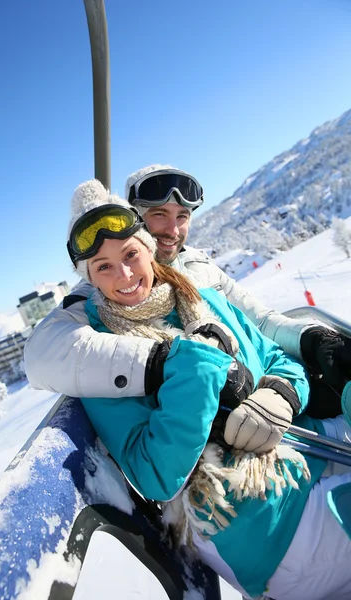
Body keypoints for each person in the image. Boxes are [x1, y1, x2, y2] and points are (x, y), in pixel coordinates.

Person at [65, 180, 351, 600]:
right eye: (103, 267)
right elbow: (156, 475)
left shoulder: (197, 298)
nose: (124, 275)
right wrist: (195, 365)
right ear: (89, 277)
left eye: (130, 255)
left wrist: (280, 395)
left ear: (148, 250)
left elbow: (276, 358)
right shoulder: (102, 356)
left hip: (302, 449)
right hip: (259, 521)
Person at [24, 165, 351, 417]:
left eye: (183, 216)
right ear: (133, 219)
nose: (173, 230)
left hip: (268, 388)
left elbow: (260, 321)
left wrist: (311, 338)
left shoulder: (197, 267)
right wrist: (166, 362)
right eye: (159, 215)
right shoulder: (108, 287)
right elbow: (42, 356)